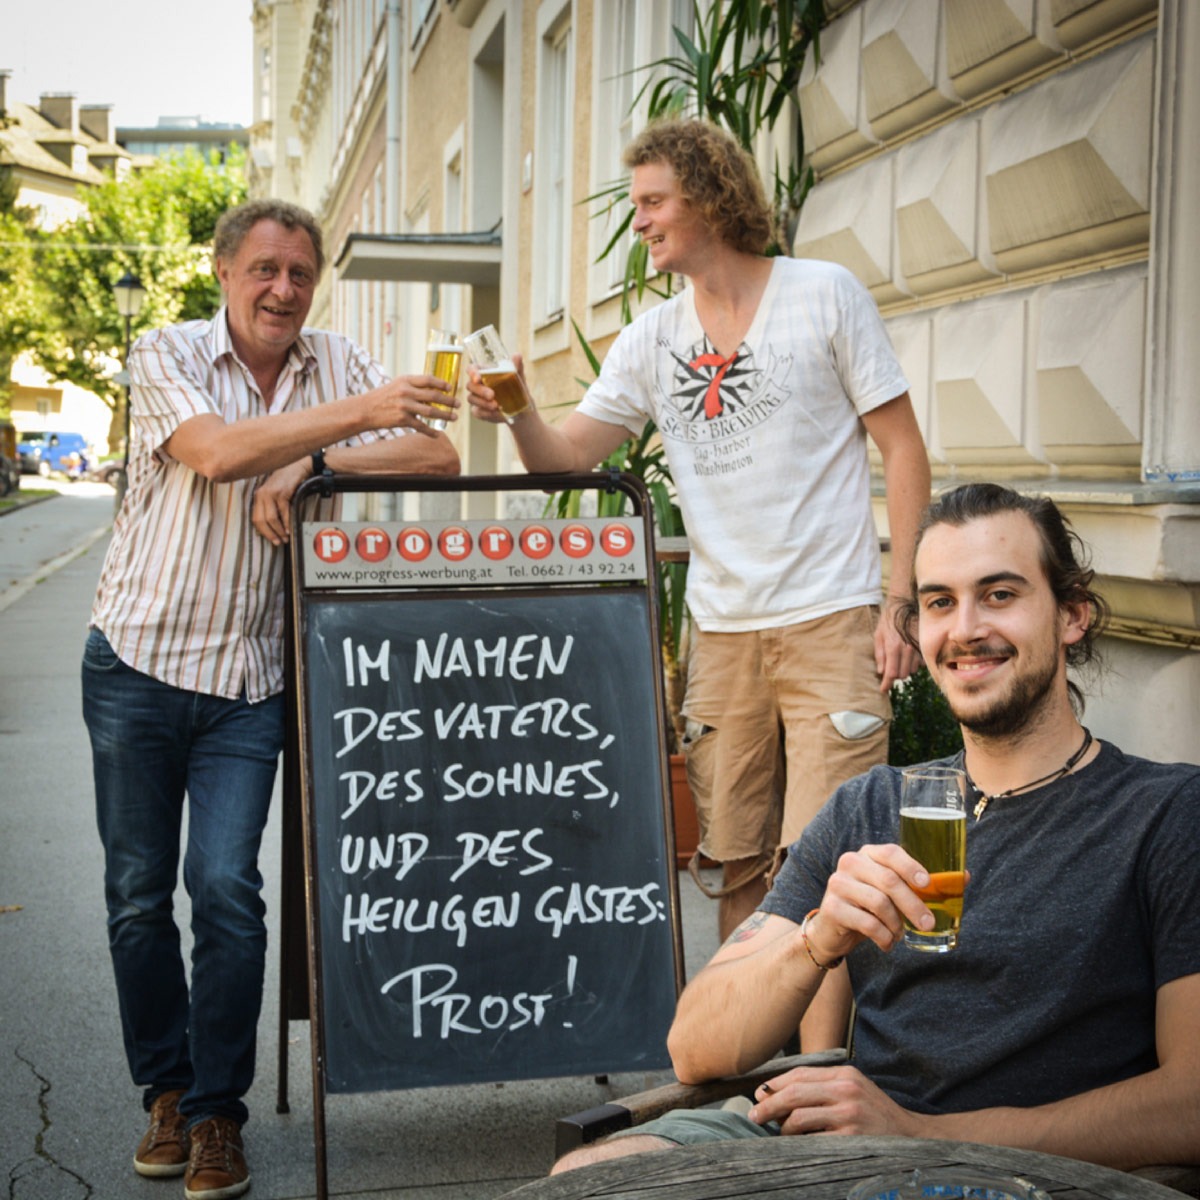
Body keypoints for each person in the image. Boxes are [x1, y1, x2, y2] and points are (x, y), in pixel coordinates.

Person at [553, 482, 1200, 1176]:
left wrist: (920, 1133)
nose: (965, 629)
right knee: (594, 1174)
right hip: (841, 1149)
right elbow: (696, 1048)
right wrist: (818, 940)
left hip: (1021, 1171)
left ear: (1072, 615)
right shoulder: (869, 806)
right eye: (939, 603)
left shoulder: (1163, 815)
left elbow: (1188, 1107)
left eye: (1001, 595)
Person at [468, 118, 931, 959]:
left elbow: (903, 447)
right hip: (722, 633)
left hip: (831, 617)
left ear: (709, 198)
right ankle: (745, 1065)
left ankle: (816, 1068)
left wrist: (901, 603)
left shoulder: (823, 294)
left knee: (832, 863)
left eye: (653, 201)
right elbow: (565, 463)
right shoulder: (651, 339)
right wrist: (521, 410)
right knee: (735, 862)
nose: (638, 220)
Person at [81, 198, 460, 1200]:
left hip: (251, 680)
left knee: (228, 892)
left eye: (299, 272)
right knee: (135, 896)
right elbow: (212, 454)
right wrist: (351, 421)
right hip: (136, 663)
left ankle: (215, 1115)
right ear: (224, 272)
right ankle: (163, 1090)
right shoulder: (162, 351)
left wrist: (314, 461)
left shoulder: (333, 360)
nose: (283, 290)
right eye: (264, 270)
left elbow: (437, 454)